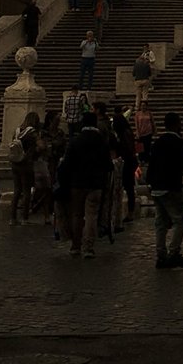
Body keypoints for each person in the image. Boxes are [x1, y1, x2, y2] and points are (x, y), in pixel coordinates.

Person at [146, 112, 183, 269]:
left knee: (160, 222)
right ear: (177, 124)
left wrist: (150, 183)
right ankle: (173, 252)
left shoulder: (158, 142)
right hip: (171, 186)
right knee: (179, 220)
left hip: (156, 187)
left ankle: (160, 254)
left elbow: (151, 164)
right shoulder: (179, 143)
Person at [57, 111, 112, 258]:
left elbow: (67, 163)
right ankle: (89, 247)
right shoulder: (102, 141)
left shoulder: (76, 141)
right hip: (96, 183)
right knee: (92, 215)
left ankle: (76, 245)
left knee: (77, 214)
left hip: (77, 182)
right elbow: (108, 164)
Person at [8, 112, 40, 225]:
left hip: (15, 162)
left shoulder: (17, 130)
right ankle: (24, 218)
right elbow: (36, 148)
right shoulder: (32, 133)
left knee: (17, 190)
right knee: (26, 191)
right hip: (26, 163)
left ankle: (12, 218)